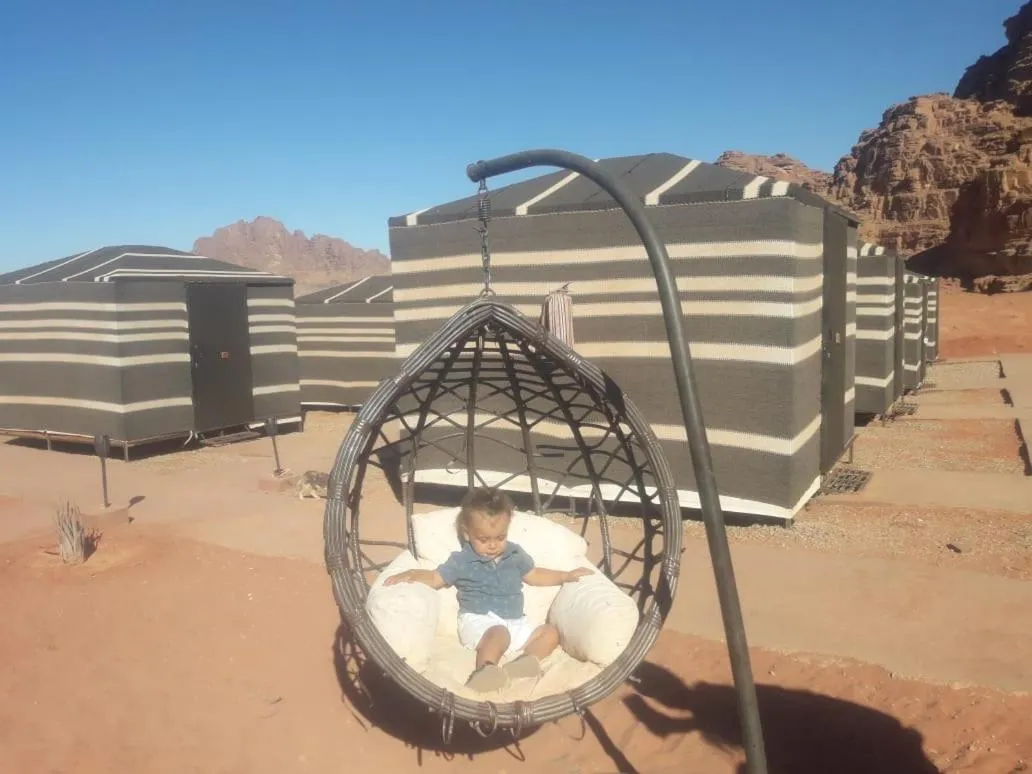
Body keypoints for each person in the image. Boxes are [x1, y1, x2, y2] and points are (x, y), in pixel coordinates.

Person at [385, 488, 592, 692]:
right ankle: (486, 670)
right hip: (480, 622)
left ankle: (525, 662)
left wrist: (564, 576)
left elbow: (535, 574)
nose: (493, 545)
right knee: (498, 633)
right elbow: (435, 578)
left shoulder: (514, 553)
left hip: (516, 623)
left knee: (550, 632)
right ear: (467, 534)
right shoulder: (462, 560)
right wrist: (412, 574)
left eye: (500, 537)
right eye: (484, 540)